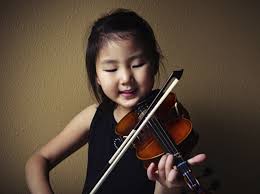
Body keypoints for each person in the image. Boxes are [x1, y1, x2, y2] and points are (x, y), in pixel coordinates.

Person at [25, 8, 206, 194]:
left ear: (154, 64)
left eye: (137, 65)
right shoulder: (93, 116)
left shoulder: (170, 122)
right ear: (96, 76)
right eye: (111, 69)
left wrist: (168, 187)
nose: (126, 78)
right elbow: (37, 161)